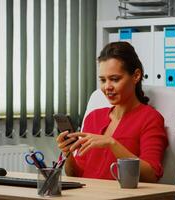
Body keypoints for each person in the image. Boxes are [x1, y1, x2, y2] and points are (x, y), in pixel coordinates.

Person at [56, 42, 168, 183]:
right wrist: (68, 153)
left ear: (136, 76)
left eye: (115, 79)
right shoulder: (94, 117)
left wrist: (112, 144)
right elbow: (77, 174)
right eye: (103, 80)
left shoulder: (150, 119)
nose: (107, 87)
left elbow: (151, 175)